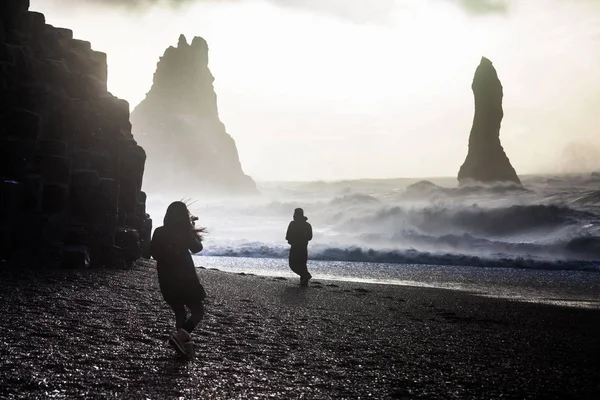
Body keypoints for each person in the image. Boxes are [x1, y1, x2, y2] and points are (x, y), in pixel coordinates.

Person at [150, 201, 206, 359]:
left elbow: (153, 253)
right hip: (186, 280)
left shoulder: (159, 232)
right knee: (198, 311)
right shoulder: (185, 233)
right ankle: (181, 337)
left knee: (180, 312)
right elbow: (197, 248)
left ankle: (184, 348)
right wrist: (191, 229)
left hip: (166, 280)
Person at [285, 208, 313, 286]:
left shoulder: (293, 224)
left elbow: (287, 236)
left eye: (295, 214)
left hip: (296, 248)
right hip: (302, 248)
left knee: (293, 265)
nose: (294, 215)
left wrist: (292, 239)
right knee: (302, 265)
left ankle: (305, 276)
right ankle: (304, 281)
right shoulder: (307, 225)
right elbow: (309, 237)